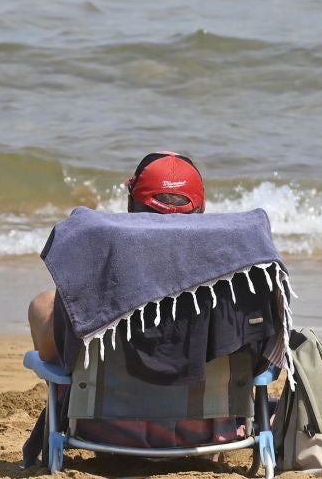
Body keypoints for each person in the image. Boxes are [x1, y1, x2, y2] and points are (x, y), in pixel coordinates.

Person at [26, 151, 205, 363]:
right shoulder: (229, 272)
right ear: (202, 208)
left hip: (111, 384)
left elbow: (51, 351)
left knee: (42, 303)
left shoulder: (99, 265)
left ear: (130, 204)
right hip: (206, 385)